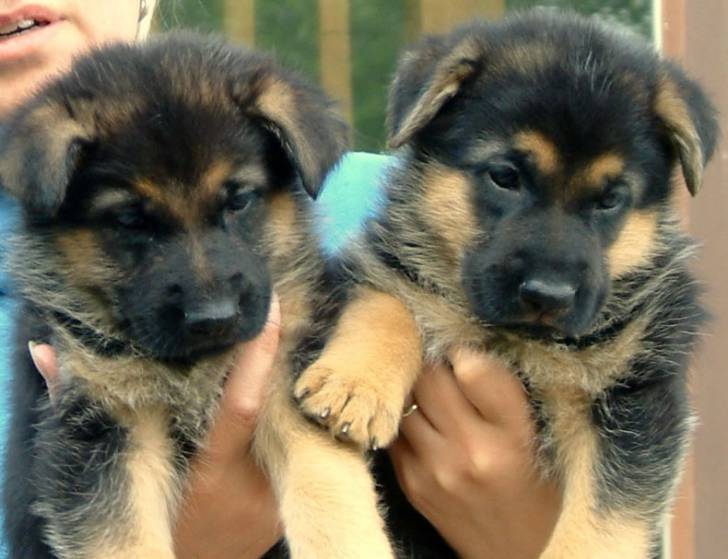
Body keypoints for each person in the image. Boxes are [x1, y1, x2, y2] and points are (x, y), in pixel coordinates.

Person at [0, 1, 560, 557]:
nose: (209, 300)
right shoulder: (64, 264)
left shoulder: (413, 217)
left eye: (237, 203)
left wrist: (527, 530)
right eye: (131, 223)